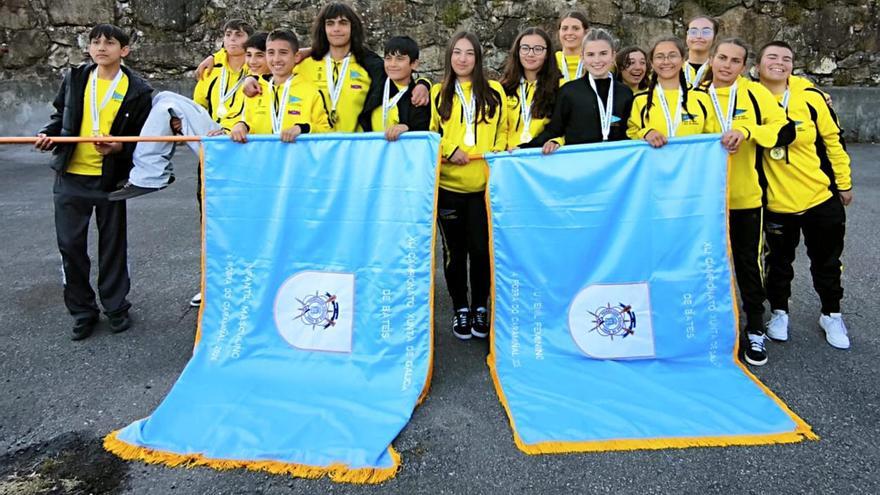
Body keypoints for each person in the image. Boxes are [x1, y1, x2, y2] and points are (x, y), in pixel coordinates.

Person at [34, 24, 153, 340]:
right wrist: (48, 135)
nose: (101, 47)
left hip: (110, 179)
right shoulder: (75, 78)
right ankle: (82, 311)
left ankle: (116, 307)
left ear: (124, 50)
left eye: (109, 43)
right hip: (71, 175)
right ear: (89, 48)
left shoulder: (138, 89)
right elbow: (61, 117)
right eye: (95, 42)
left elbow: (141, 138)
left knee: (112, 246)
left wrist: (118, 148)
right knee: (70, 246)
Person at [701, 37, 796, 366]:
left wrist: (747, 131)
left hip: (745, 199)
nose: (727, 65)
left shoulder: (755, 93)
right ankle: (709, 328)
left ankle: (755, 327)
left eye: (735, 60)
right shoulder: (695, 95)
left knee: (748, 265)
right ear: (711, 60)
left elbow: (785, 131)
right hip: (704, 202)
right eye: (722, 58)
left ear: (744, 66)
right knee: (705, 265)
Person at [756, 41, 853, 351]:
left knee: (827, 262)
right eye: (772, 57)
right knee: (778, 263)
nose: (779, 62)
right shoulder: (748, 98)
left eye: (786, 58)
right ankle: (779, 312)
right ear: (757, 65)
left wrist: (843, 183)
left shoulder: (811, 97)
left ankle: (831, 314)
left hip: (819, 197)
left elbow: (833, 141)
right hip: (775, 202)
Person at [430, 32, 508, 340]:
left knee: (481, 251)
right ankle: (460, 306)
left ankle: (480, 306)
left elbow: (504, 130)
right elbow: (430, 134)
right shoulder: (437, 92)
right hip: (449, 188)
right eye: (457, 53)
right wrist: (449, 149)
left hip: (483, 189)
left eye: (469, 53)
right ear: (449, 57)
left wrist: (496, 154)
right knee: (454, 252)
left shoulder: (495, 91)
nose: (462, 59)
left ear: (478, 58)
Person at [525, 28, 634, 153]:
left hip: (615, 162)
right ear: (582, 57)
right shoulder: (568, 92)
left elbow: (631, 132)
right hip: (578, 163)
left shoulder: (625, 93)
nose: (597, 60)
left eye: (603, 53)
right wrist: (522, 149)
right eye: (590, 54)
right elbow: (554, 131)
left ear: (613, 55)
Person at [230, 29, 331, 142]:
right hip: (262, 152)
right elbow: (249, 123)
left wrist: (302, 129)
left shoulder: (311, 92)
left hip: (297, 153)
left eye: (283, 52)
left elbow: (326, 131)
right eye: (271, 53)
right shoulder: (254, 89)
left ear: (297, 56)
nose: (276, 59)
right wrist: (241, 125)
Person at [627, 36, 713, 146]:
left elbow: (713, 137)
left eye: (672, 56)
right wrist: (646, 133)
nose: (666, 61)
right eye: (659, 57)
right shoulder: (640, 99)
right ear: (652, 63)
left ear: (683, 60)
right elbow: (631, 134)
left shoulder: (701, 97)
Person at [499, 27, 561, 149]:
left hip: (542, 155)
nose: (530, 54)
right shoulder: (503, 88)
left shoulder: (560, 87)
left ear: (547, 54)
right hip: (509, 156)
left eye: (538, 49)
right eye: (525, 48)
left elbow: (563, 126)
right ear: (517, 52)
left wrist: (556, 141)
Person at [359, 36, 431, 139]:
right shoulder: (379, 76)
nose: (392, 64)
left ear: (414, 64)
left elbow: (422, 131)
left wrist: (407, 129)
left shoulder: (417, 97)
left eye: (400, 59)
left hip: (399, 148)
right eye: (388, 58)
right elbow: (358, 50)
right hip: (370, 146)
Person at [683, 15, 717, 89]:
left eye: (706, 32)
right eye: (693, 32)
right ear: (686, 36)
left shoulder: (721, 72)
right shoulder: (672, 69)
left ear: (714, 38)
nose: (699, 36)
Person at [555, 11, 589, 84]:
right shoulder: (550, 61)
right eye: (565, 28)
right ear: (559, 32)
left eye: (576, 28)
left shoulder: (595, 61)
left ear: (585, 32)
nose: (569, 33)